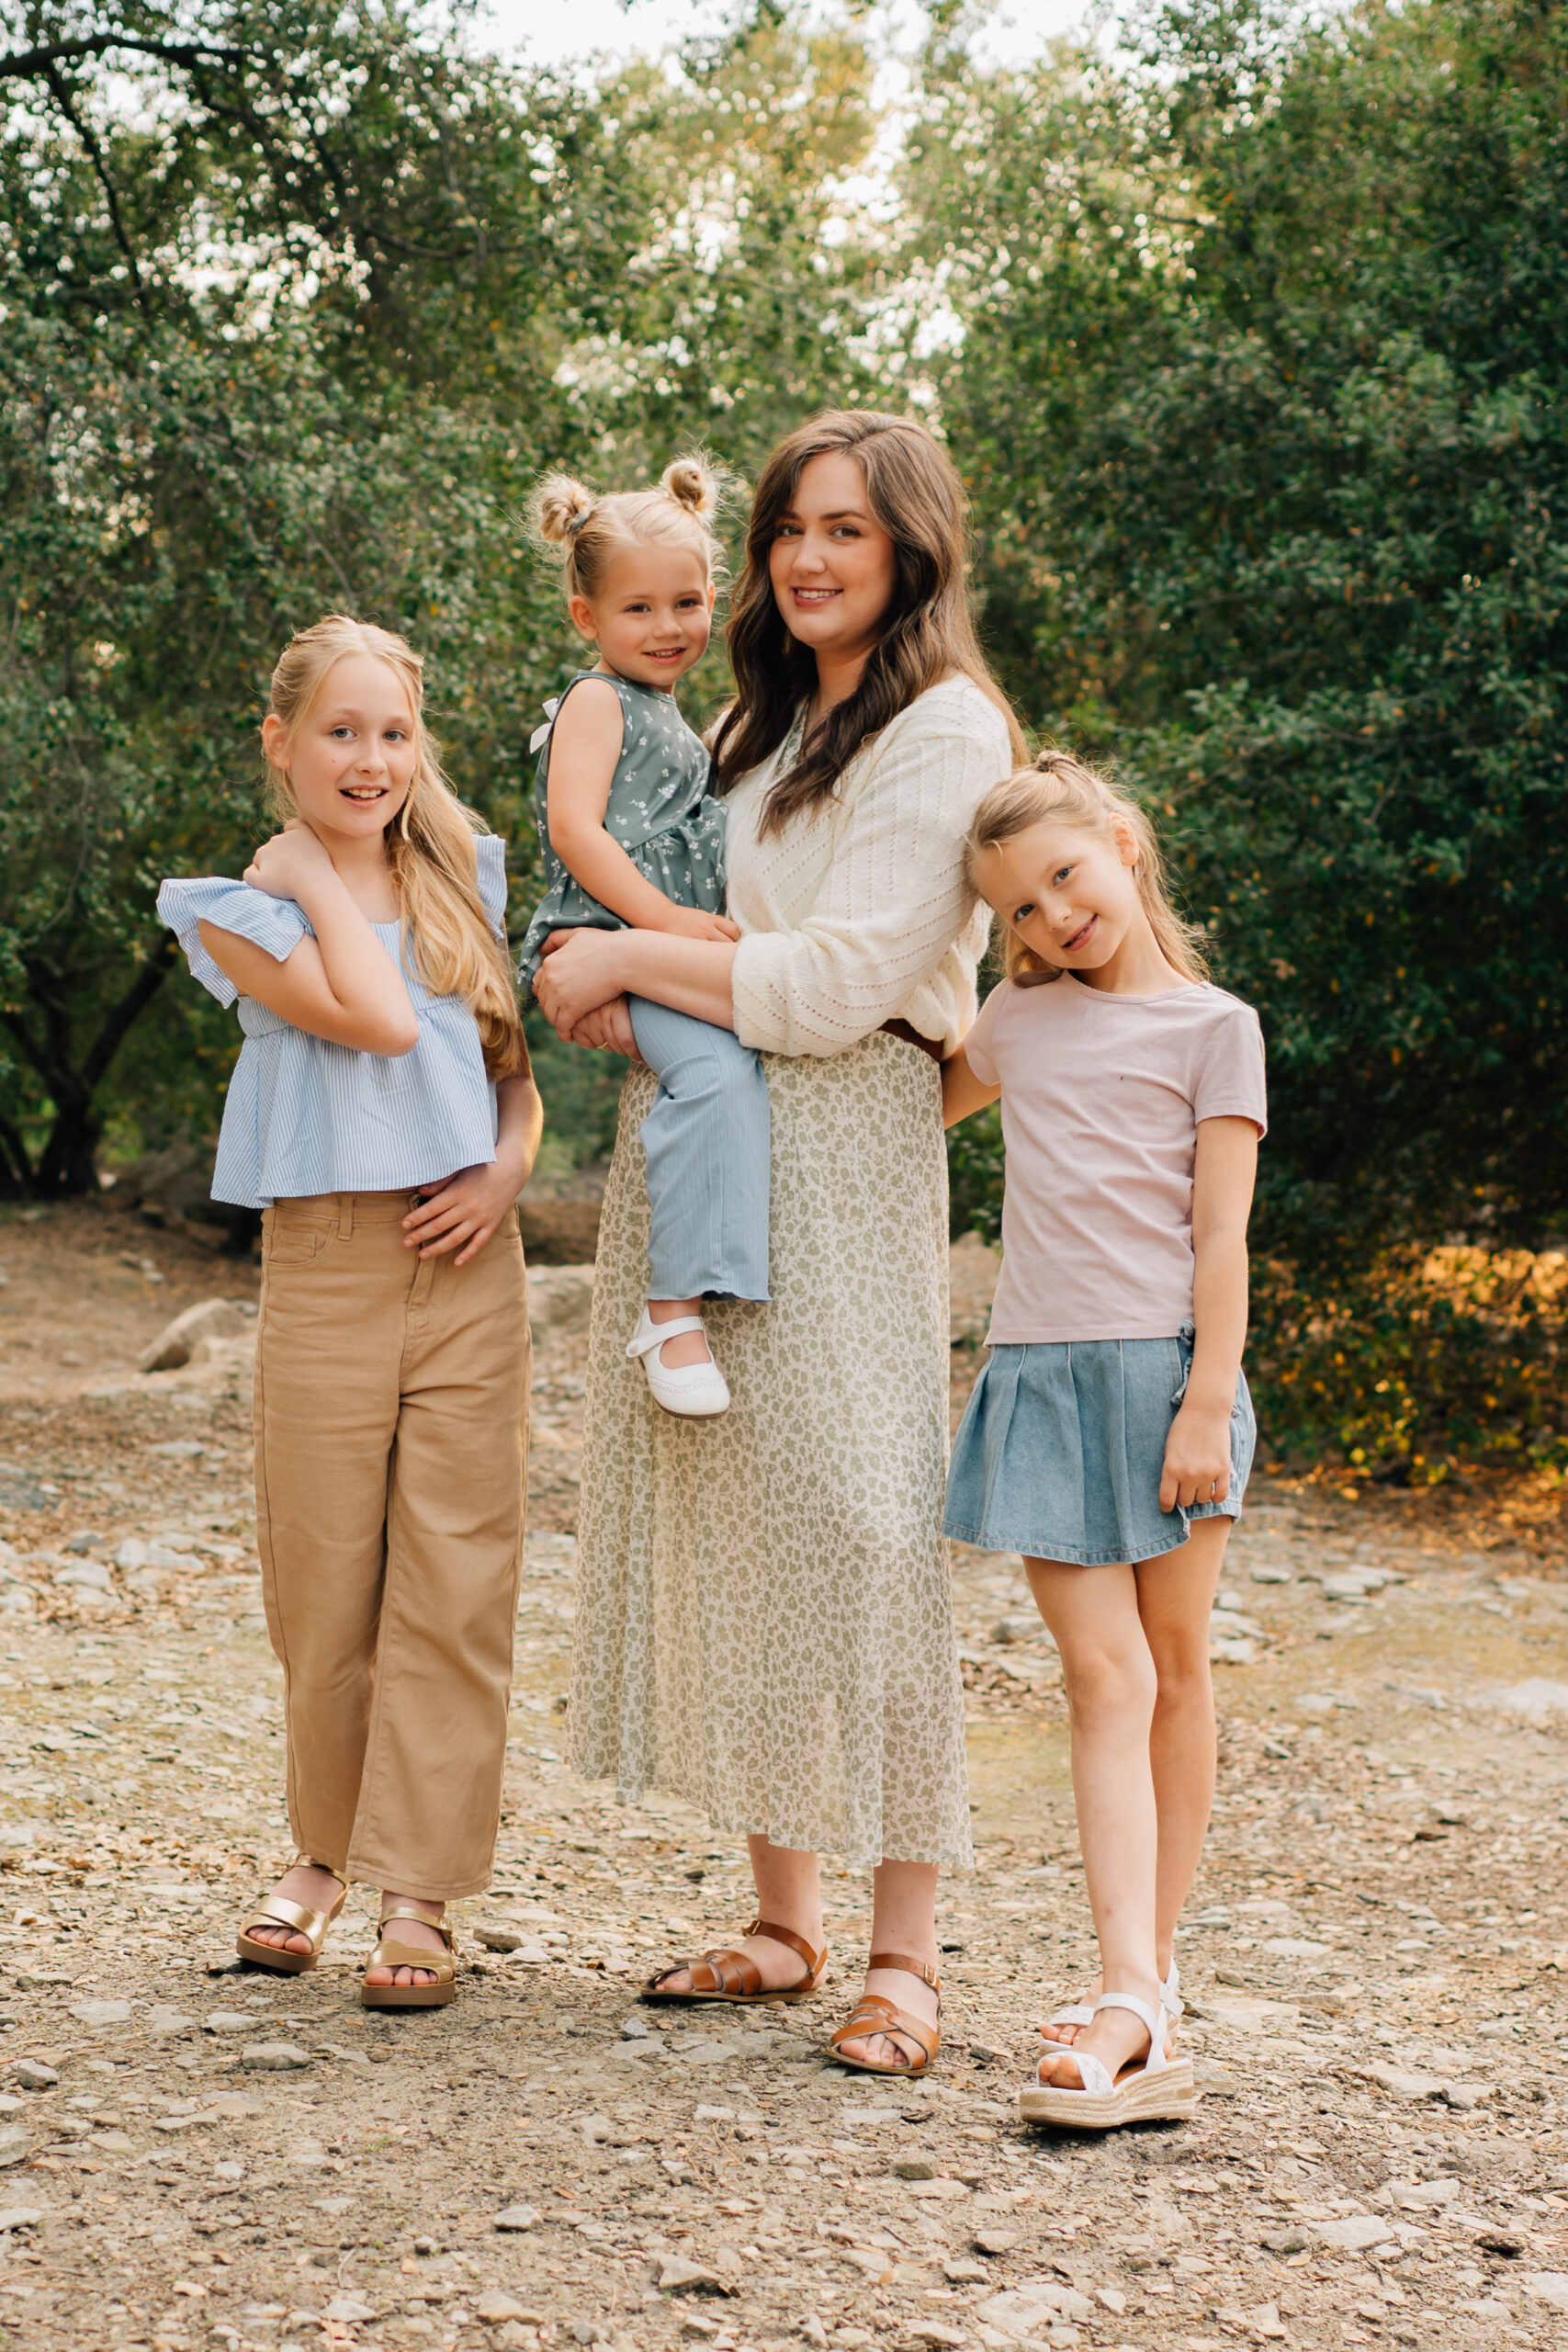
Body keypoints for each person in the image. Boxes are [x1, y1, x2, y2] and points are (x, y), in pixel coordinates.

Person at [534, 411, 1024, 2076]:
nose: (808, 559)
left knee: (867, 1524)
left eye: (845, 531)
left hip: (844, 1140)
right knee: (743, 1516)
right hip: (712, 1134)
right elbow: (680, 921)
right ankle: (780, 1919)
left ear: (910, 549)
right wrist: (595, 978)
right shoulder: (747, 716)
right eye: (787, 530)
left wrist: (621, 967)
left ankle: (905, 1955)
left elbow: (827, 986)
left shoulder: (945, 729)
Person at [157, 615, 541, 2010]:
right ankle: (321, 1854)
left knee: (455, 1580)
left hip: (465, 1261)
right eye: (340, 731)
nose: (371, 759)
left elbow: (506, 1076)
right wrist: (319, 878)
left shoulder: (467, 879)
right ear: (282, 742)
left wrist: (506, 1171)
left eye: (393, 734)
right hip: (325, 1257)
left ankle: (417, 1895)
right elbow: (376, 1020)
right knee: (325, 1585)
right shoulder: (236, 908)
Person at [941, 750, 1267, 2128]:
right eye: (1014, 909)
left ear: (1121, 845)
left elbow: (1217, 1234)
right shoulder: (1011, 1024)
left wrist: (1205, 1398)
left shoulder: (1212, 1026)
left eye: (1062, 878)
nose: (1049, 919)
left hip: (1166, 1381)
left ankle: (1144, 1983)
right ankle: (1130, 1987)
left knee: (1173, 1672)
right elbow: (890, 1111)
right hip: (1034, 1376)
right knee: (1098, 1678)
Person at [519, 458, 771, 1418]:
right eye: (638, 610)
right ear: (588, 617)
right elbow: (577, 829)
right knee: (712, 1073)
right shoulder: (595, 700)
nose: (668, 628)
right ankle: (670, 1312)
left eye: (688, 603)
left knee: (730, 1065)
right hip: (603, 931)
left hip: (652, 944)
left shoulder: (672, 712)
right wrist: (666, 923)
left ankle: (714, 1279)